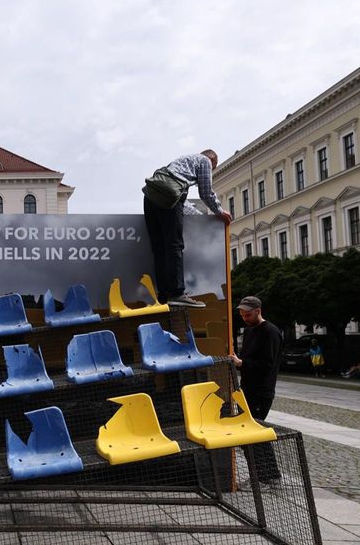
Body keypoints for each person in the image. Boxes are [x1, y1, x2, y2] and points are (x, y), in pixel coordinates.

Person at [143, 150, 233, 308]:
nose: (210, 173)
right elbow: (206, 192)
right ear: (213, 161)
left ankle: (164, 294)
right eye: (213, 169)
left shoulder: (181, 163)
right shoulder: (204, 161)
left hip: (151, 196)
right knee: (174, 245)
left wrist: (200, 215)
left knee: (159, 248)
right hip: (168, 197)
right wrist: (219, 211)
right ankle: (177, 293)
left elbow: (181, 202)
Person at [228, 296, 283, 482]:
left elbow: (268, 364)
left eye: (248, 315)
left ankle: (268, 476)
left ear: (258, 311)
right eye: (242, 315)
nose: (245, 318)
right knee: (249, 433)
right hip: (248, 389)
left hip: (262, 391)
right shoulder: (250, 331)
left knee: (256, 432)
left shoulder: (271, 332)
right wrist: (238, 362)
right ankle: (261, 475)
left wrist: (242, 363)